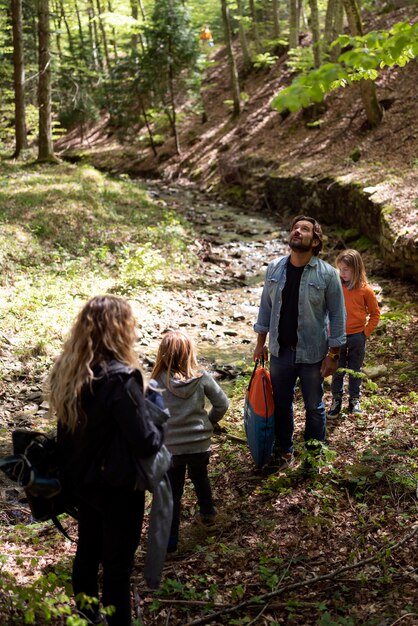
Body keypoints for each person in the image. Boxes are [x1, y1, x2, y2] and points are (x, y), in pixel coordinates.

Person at [47, 295, 164, 626]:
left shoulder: (70, 372)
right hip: (117, 488)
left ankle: (86, 617)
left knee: (86, 553)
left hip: (81, 484)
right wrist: (157, 416)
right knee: (116, 569)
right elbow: (145, 443)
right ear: (119, 329)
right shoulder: (120, 378)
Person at [253, 215, 346, 469]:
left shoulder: (328, 274)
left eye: (304, 229)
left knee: (314, 406)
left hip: (313, 354)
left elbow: (338, 316)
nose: (297, 231)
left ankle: (313, 456)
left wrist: (333, 355)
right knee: (281, 404)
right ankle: (285, 451)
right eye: (295, 228)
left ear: (315, 241)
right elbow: (265, 308)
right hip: (280, 352)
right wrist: (260, 342)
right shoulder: (274, 268)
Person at [151, 330, 229, 553]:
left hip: (172, 450)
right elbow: (223, 404)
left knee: (173, 494)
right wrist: (209, 422)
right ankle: (208, 514)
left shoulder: (156, 383)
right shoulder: (202, 377)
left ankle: (170, 543)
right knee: (200, 476)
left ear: (162, 355)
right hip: (199, 444)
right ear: (189, 353)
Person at [328, 249, 380, 418]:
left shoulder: (366, 290)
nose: (341, 273)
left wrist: (365, 333)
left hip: (358, 337)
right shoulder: (336, 287)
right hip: (337, 337)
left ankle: (354, 400)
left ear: (356, 269)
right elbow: (328, 310)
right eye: (339, 269)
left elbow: (375, 314)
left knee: (355, 370)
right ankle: (336, 400)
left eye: (345, 270)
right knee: (337, 369)